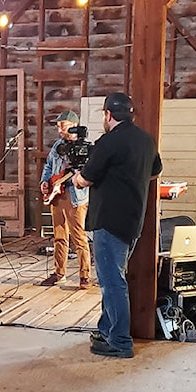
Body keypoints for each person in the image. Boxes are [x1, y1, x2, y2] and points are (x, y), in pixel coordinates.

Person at [73, 93, 162, 359]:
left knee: (112, 283)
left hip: (109, 220)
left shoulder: (109, 141)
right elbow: (155, 171)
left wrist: (76, 177)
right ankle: (106, 330)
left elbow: (86, 179)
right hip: (133, 219)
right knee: (114, 278)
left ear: (108, 115)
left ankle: (120, 341)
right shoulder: (145, 140)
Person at [39, 110, 91, 289]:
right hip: (57, 194)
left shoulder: (83, 147)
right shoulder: (57, 145)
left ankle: (84, 275)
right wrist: (44, 182)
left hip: (75, 195)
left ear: (74, 126)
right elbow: (48, 165)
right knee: (59, 236)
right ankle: (59, 272)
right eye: (58, 127)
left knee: (79, 237)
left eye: (63, 127)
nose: (60, 130)